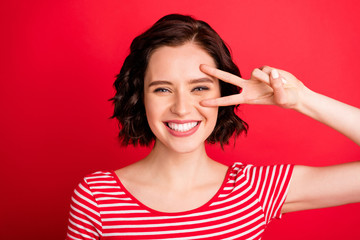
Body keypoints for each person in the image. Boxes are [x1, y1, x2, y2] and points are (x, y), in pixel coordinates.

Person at [65, 14, 360, 240]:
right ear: (139, 97)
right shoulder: (97, 197)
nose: (181, 108)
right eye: (162, 89)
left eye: (199, 88)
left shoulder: (255, 191)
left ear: (224, 94)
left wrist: (301, 100)